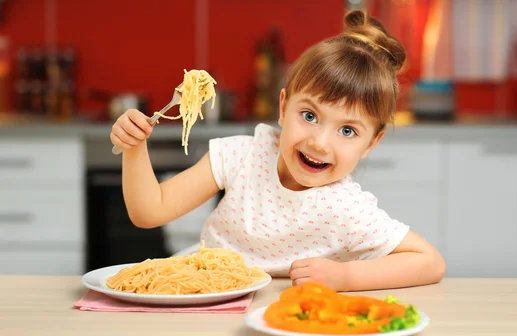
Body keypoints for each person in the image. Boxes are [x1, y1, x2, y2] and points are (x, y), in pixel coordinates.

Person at [109, 9, 446, 292]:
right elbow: (149, 212)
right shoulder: (242, 156)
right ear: (284, 108)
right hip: (206, 293)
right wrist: (135, 148)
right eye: (310, 115)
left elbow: (430, 262)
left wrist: (346, 277)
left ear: (372, 143)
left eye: (347, 130)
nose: (319, 142)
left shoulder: (347, 208)